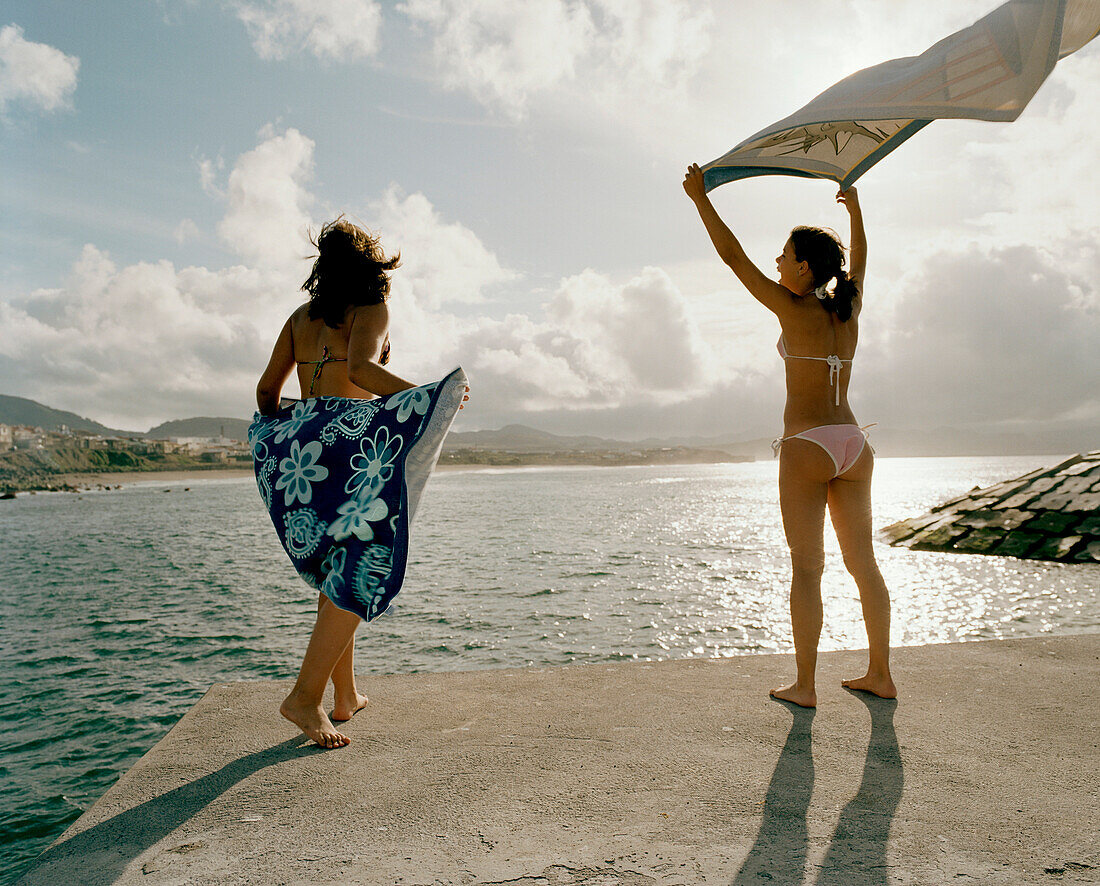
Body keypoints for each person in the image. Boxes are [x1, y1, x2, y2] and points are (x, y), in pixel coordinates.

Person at [683, 165, 895, 707]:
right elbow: (861, 264)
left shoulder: (793, 309)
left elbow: (733, 259)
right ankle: (880, 674)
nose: (775, 261)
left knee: (807, 567)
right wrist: (857, 214)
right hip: (854, 443)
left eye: (783, 255)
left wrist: (700, 199)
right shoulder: (848, 308)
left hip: (807, 445)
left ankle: (804, 686)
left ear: (803, 268)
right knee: (863, 564)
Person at [251, 218, 467, 747]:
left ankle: (344, 697)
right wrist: (430, 394)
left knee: (335, 568)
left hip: (305, 449)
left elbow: (265, 392)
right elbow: (364, 370)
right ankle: (304, 698)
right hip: (353, 445)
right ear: (372, 267)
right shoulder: (371, 309)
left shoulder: (301, 317)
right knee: (364, 565)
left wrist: (292, 435)